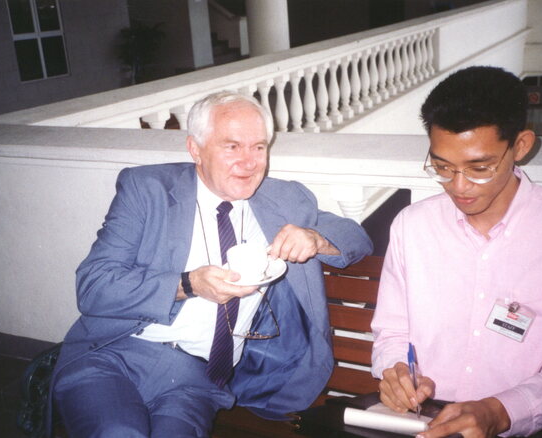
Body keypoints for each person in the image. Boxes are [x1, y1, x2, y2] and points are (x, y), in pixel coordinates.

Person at [49, 90, 373, 438]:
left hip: (195, 381)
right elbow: (93, 287)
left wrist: (315, 238)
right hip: (115, 356)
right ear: (195, 149)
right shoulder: (148, 190)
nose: (249, 163)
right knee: (118, 432)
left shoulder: (283, 200)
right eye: (232, 146)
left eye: (258, 147)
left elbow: (357, 237)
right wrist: (188, 284)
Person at [371, 66, 542, 438]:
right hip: (421, 423)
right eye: (442, 166)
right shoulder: (413, 225)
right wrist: (397, 373)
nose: (459, 186)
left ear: (521, 146)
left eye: (479, 167)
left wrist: (500, 410)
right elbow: (392, 332)